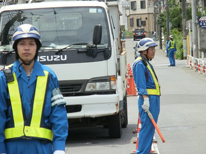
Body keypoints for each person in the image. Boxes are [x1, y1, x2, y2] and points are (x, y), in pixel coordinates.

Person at [0, 24, 68, 154]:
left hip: (42, 148)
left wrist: (59, 147)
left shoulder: (49, 76)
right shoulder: (3, 77)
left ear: (37, 47)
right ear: (15, 47)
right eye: (22, 44)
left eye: (31, 44)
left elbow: (58, 114)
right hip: (12, 149)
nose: (26, 48)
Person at [132, 38, 161, 154]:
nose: (154, 51)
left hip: (152, 99)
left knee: (150, 129)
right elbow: (141, 84)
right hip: (148, 100)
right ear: (144, 51)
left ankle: (145, 151)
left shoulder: (145, 62)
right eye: (152, 49)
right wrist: (145, 100)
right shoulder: (139, 64)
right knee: (146, 128)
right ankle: (142, 152)